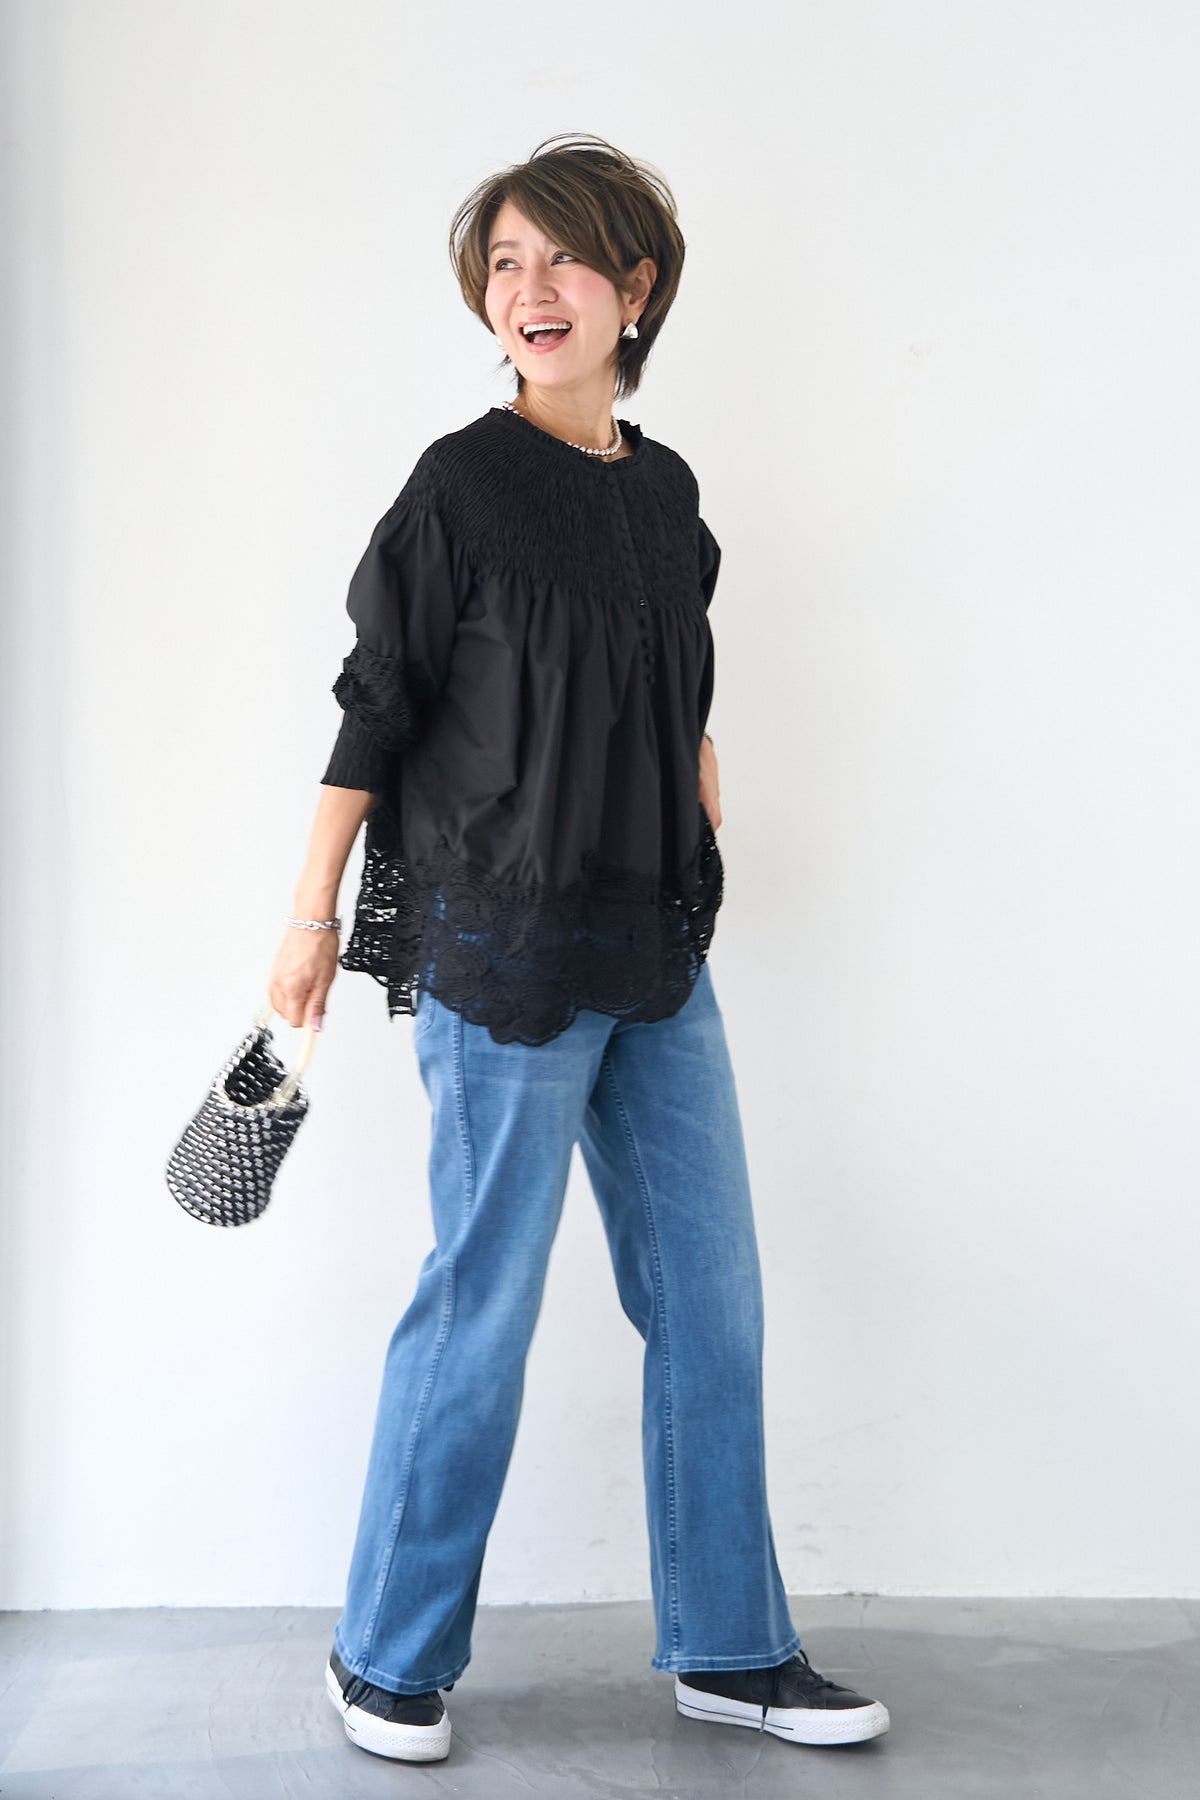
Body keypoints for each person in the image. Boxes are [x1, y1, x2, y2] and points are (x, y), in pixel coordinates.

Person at [268, 132, 890, 1766]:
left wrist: (695, 766)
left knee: (712, 1298)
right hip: (505, 947)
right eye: (504, 263)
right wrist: (310, 912)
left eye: (561, 259)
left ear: (637, 287)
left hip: (655, 940)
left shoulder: (666, 494)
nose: (529, 290)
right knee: (482, 1298)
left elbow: (667, 667)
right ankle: (384, 1654)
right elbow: (378, 703)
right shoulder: (460, 484)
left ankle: (733, 1647)